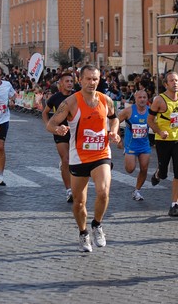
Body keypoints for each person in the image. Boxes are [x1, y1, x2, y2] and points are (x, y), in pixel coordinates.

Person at [46, 64, 120, 252]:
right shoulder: (71, 102)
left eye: (95, 79)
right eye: (88, 79)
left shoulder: (105, 100)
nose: (91, 83)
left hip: (101, 153)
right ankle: (83, 233)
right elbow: (51, 122)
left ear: (99, 80)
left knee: (103, 191)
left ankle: (97, 224)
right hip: (79, 156)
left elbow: (114, 118)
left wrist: (114, 131)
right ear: (81, 80)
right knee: (79, 202)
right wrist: (57, 128)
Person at [147, 71, 178, 217]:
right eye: (171, 81)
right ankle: (158, 174)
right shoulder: (159, 100)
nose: (175, 83)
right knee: (164, 173)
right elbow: (150, 120)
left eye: (177, 80)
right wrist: (159, 131)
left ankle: (174, 205)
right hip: (163, 141)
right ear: (166, 84)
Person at [41, 72, 75, 202]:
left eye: (71, 81)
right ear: (61, 83)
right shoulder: (55, 98)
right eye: (67, 81)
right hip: (60, 132)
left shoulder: (77, 96)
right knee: (66, 160)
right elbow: (45, 113)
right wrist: (49, 125)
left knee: (73, 161)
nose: (70, 83)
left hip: (75, 132)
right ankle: (69, 190)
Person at [117, 89, 151, 201]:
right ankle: (126, 156)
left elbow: (157, 123)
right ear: (135, 99)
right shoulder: (128, 111)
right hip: (131, 145)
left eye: (144, 97)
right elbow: (116, 122)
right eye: (139, 97)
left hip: (144, 144)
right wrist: (118, 138)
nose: (142, 100)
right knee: (130, 169)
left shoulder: (150, 111)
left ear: (147, 99)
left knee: (144, 168)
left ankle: (137, 190)